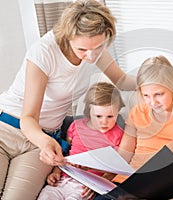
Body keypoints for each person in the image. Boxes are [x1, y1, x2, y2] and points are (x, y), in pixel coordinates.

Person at [0, 0, 136, 199]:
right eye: (82, 50)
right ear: (68, 36)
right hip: (8, 130)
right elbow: (28, 117)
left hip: (41, 143)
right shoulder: (44, 52)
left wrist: (169, 77)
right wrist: (45, 142)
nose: (91, 56)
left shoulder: (94, 47)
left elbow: (123, 80)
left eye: (98, 48)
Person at [94, 55, 173, 200]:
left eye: (159, 94)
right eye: (146, 95)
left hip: (161, 189)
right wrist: (100, 179)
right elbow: (123, 156)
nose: (152, 102)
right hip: (126, 184)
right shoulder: (137, 112)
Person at [37, 82, 124, 200]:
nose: (104, 122)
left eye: (110, 116)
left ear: (118, 111)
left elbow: (115, 168)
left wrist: (98, 185)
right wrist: (56, 171)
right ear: (89, 111)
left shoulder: (118, 135)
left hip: (85, 186)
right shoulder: (76, 126)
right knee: (45, 196)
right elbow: (65, 154)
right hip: (62, 179)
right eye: (98, 116)